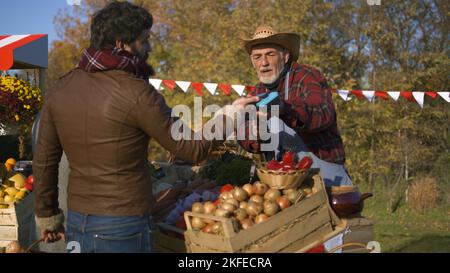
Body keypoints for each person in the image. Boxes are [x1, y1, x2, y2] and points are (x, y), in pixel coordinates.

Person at [33, 1, 255, 253]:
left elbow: (44, 161)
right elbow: (192, 148)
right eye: (143, 40)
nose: (149, 47)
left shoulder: (61, 89)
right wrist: (232, 114)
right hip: (124, 226)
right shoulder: (136, 92)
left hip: (78, 222)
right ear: (120, 43)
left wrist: (47, 216)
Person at [239, 25, 352, 187]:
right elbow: (244, 132)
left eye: (270, 54)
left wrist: (284, 108)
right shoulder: (257, 91)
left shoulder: (307, 76)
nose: (263, 63)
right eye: (257, 57)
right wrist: (253, 134)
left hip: (323, 175)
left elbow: (322, 113)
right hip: (281, 180)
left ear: (285, 56)